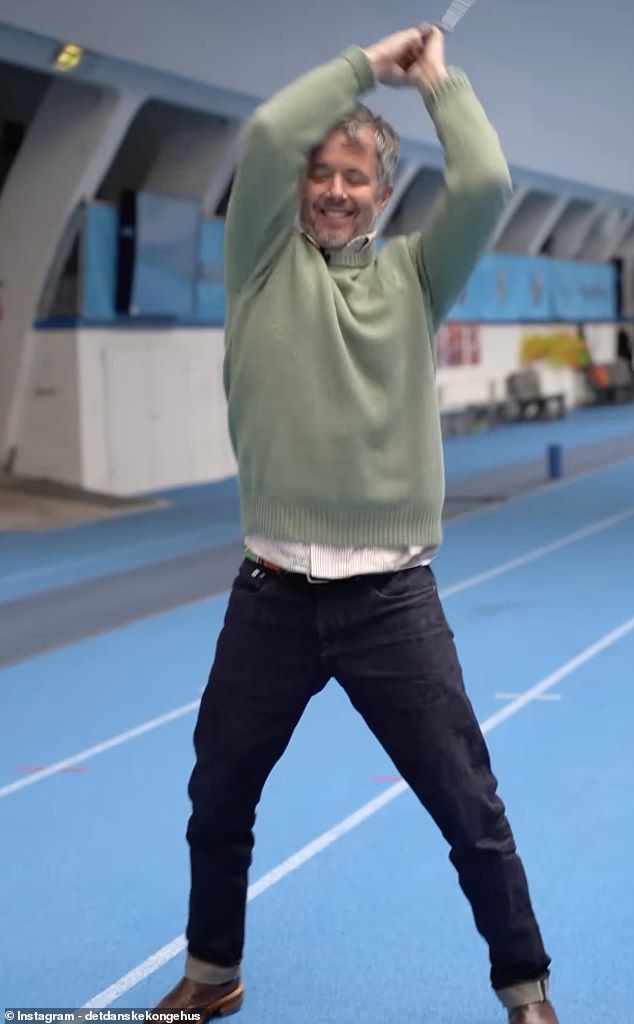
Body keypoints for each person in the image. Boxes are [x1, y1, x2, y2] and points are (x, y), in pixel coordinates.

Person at [155, 25, 559, 1024]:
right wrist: (363, 65)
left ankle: (525, 990)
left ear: (381, 193)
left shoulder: (417, 279)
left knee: (470, 810)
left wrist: (434, 83)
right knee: (218, 800)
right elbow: (261, 132)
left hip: (390, 600)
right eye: (322, 174)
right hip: (272, 596)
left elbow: (486, 179)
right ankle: (213, 975)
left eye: (356, 177)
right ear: (299, 187)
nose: (336, 189)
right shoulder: (257, 269)